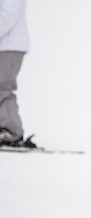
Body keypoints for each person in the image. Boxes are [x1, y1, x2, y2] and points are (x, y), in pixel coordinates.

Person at [0, 0, 35, 148]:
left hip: (10, 45)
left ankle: (11, 131)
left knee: (3, 87)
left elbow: (9, 14)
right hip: (5, 44)